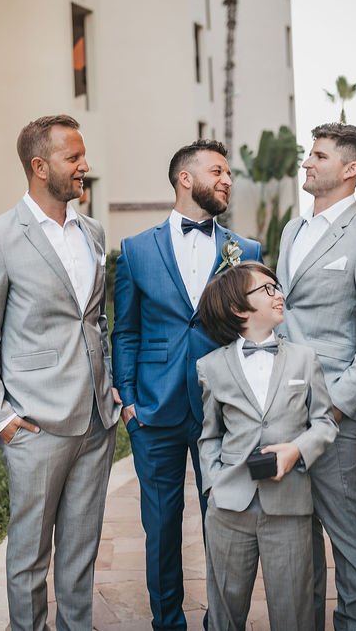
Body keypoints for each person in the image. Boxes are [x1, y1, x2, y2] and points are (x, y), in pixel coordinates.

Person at [0, 114, 119, 631]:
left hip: (97, 420)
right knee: (29, 554)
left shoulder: (92, 231)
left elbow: (95, 318)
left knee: (80, 550)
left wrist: (112, 391)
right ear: (39, 166)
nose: (85, 166)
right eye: (73, 157)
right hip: (34, 423)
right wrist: (0, 417)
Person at [111, 139, 262, 630]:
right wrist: (128, 400)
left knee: (223, 520)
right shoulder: (135, 250)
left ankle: (220, 620)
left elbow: (255, 329)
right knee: (161, 527)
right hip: (153, 410)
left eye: (229, 174)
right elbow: (125, 330)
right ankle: (167, 622)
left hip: (224, 408)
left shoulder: (247, 251)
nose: (226, 180)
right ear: (185, 178)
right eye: (217, 171)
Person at [275, 123, 356, 630]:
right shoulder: (291, 229)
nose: (307, 162)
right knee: (298, 528)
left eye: (319, 155)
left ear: (350, 170)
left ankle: (353, 624)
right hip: (281, 404)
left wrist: (337, 405)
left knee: (343, 526)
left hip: (331, 409)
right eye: (310, 153)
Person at [196, 261, 338, 631]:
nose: (279, 295)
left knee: (295, 613)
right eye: (267, 289)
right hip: (230, 508)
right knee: (225, 613)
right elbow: (210, 434)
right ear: (239, 308)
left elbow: (324, 422)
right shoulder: (211, 366)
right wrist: (213, 484)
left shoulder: (303, 359)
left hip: (289, 507)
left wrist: (297, 450)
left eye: (277, 287)